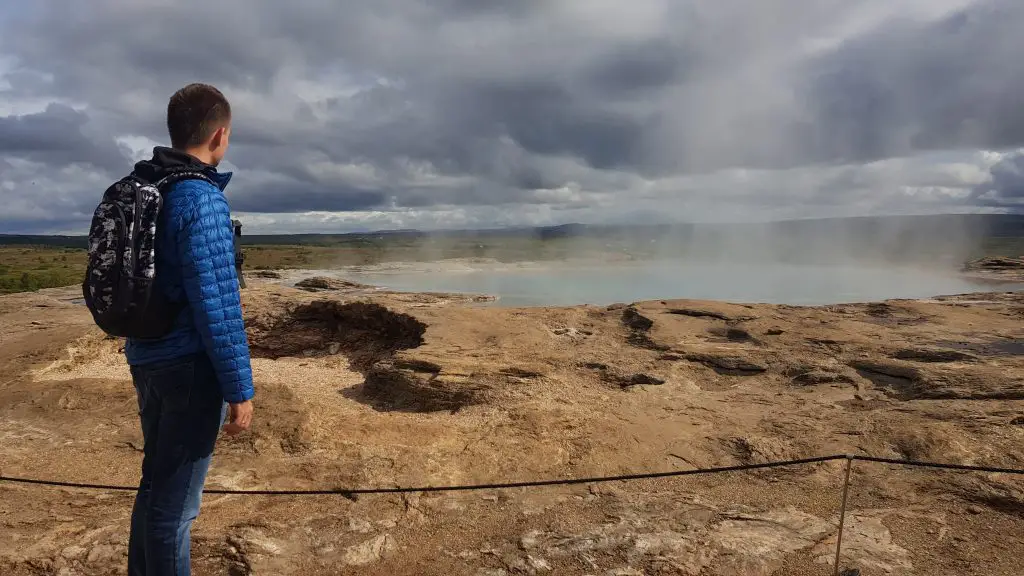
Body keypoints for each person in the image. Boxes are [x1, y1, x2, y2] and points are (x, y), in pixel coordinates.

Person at [124, 82, 255, 576]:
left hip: (147, 356)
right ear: (219, 135)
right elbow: (217, 306)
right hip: (188, 370)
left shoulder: (148, 187)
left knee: (156, 488)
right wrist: (239, 389)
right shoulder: (201, 199)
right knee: (175, 509)